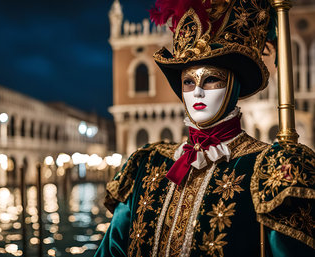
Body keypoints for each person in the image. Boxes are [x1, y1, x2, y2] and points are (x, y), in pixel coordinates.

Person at [95, 0, 314, 256]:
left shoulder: (272, 169)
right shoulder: (146, 163)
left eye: (211, 79)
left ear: (234, 87)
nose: (197, 91)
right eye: (188, 81)